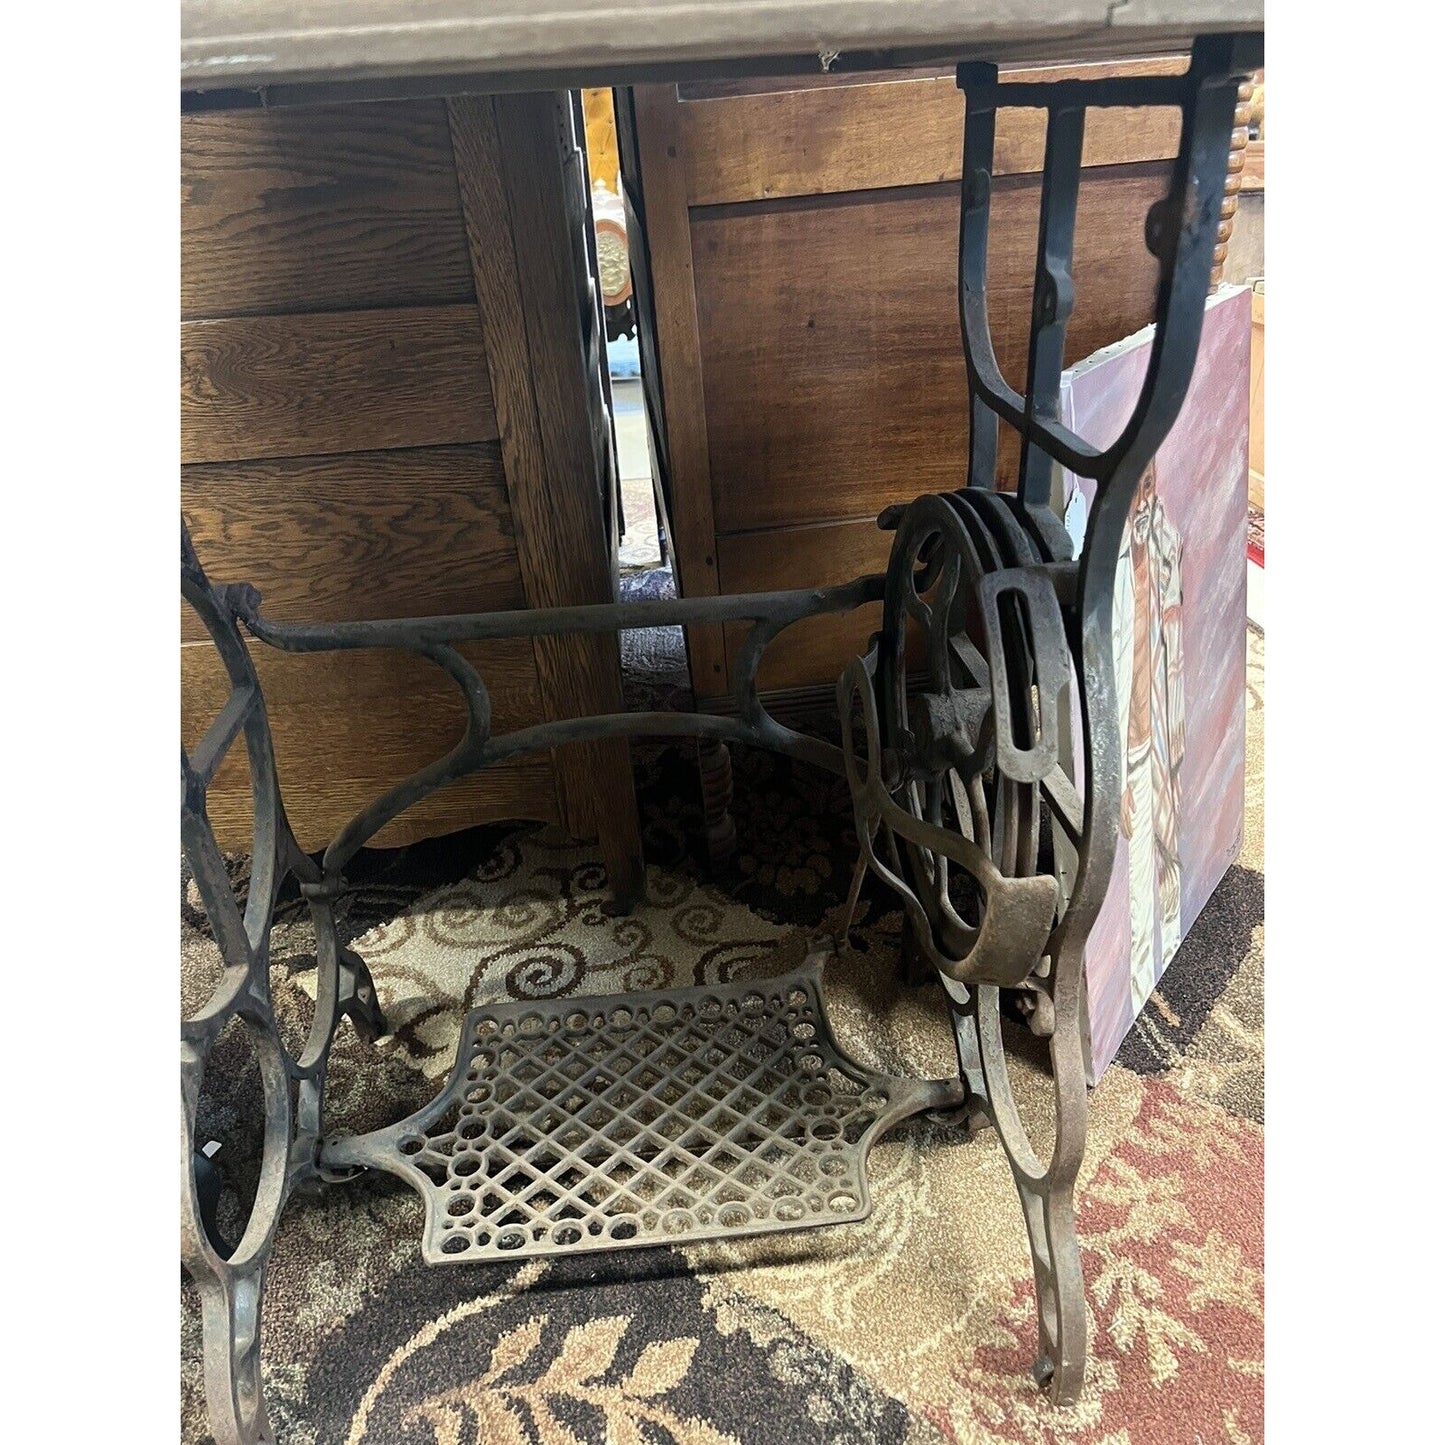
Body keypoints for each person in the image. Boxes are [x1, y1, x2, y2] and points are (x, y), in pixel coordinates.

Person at [1112, 462, 1185, 1014]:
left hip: (1162, 732)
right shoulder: (1111, 569)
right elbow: (1108, 671)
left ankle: (1175, 969)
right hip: (1130, 751)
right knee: (1138, 889)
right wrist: (1114, 774)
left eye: (1151, 478)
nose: (1146, 491)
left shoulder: (1159, 538)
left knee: (1171, 865)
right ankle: (1139, 1002)